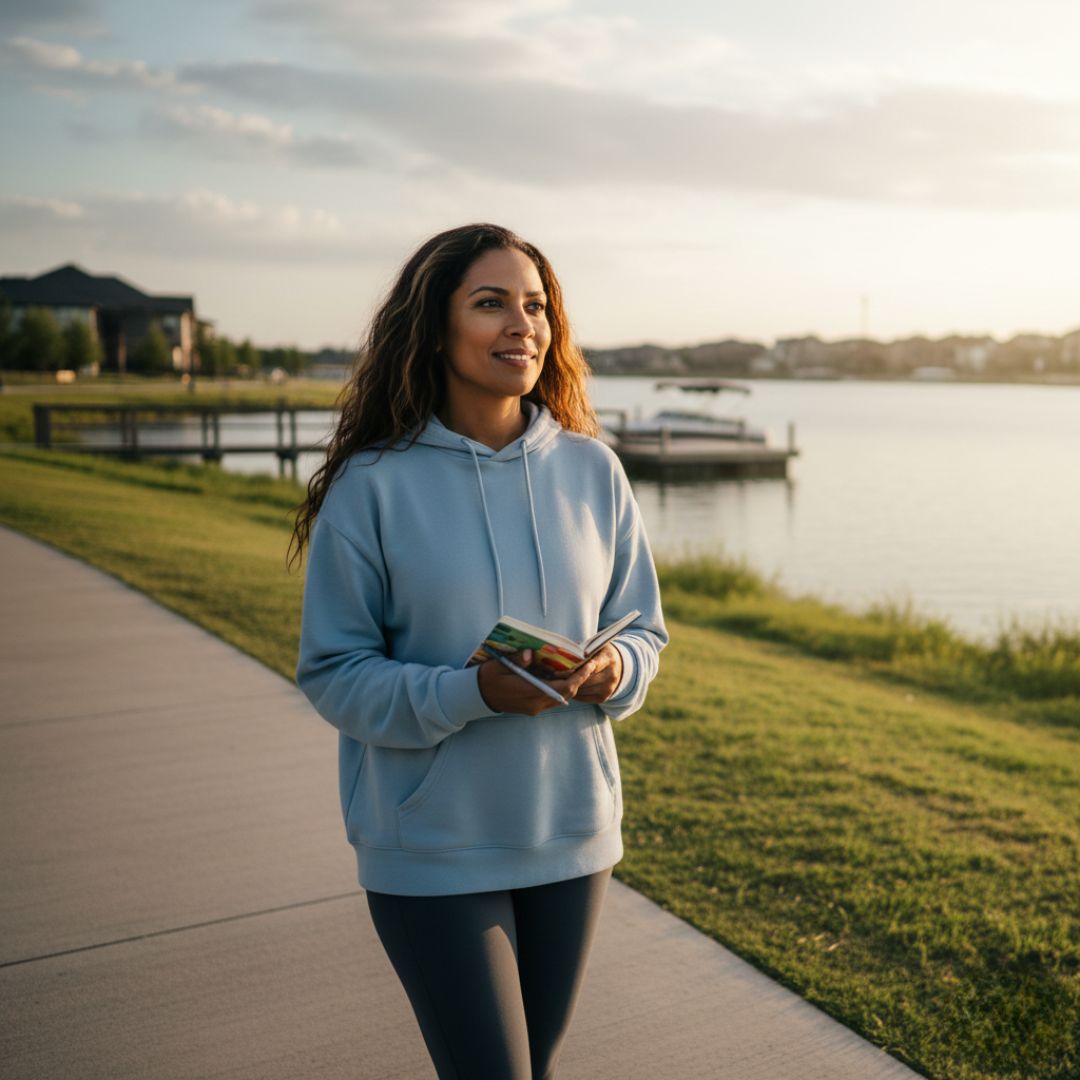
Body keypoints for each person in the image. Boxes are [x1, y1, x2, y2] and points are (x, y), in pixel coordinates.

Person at [290, 223, 668, 1079]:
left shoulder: (592, 470)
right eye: (490, 302)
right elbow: (334, 674)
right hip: (431, 843)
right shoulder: (373, 485)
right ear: (434, 326)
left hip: (572, 833)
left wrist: (616, 670)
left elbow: (644, 626)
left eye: (536, 306)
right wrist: (474, 696)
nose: (521, 325)